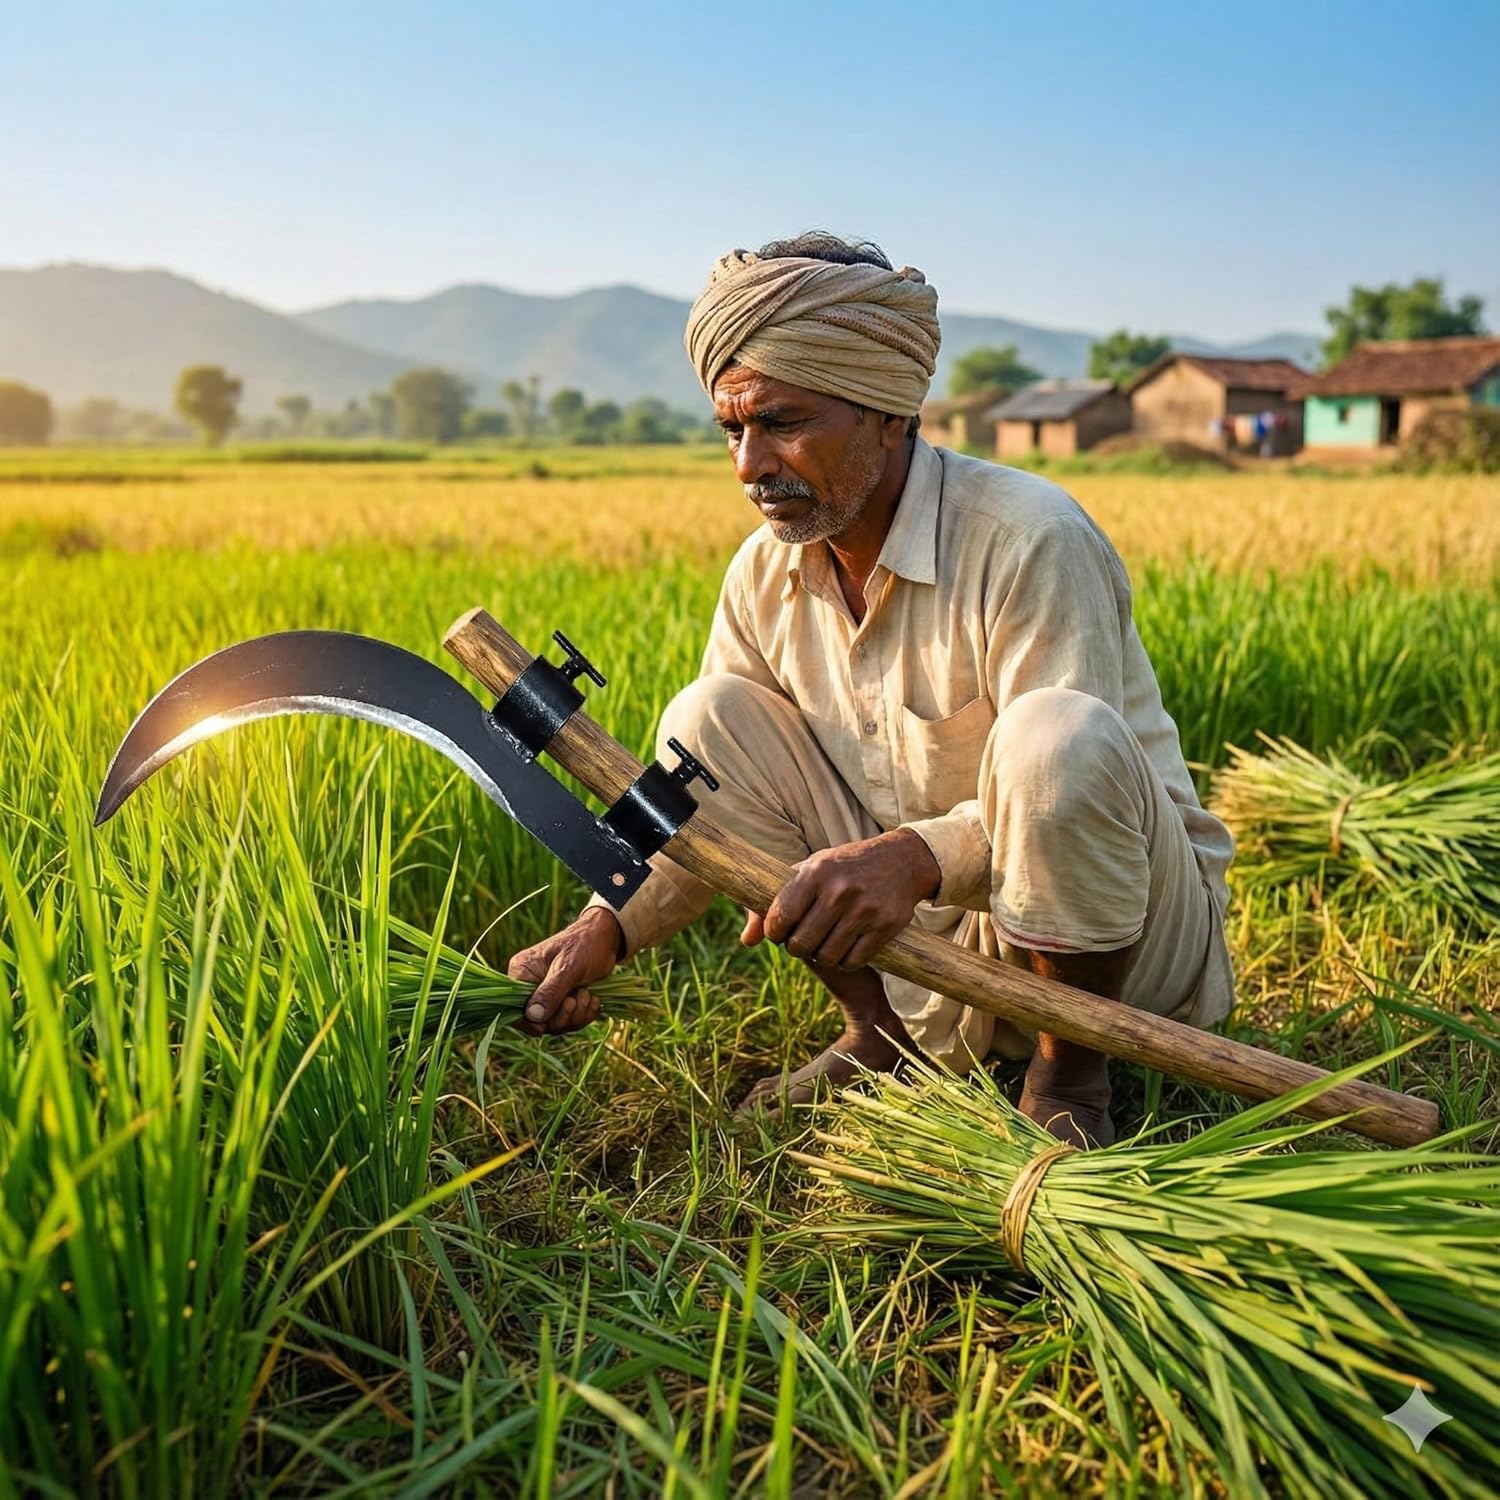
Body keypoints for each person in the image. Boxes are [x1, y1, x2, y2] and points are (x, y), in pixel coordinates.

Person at [506, 232, 1234, 1148]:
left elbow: (1069, 783)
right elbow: (697, 798)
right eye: (734, 429)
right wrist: (603, 928)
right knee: (705, 720)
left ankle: (1070, 1074)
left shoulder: (1026, 537)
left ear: (890, 414)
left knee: (1056, 738)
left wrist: (911, 859)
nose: (749, 465)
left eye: (784, 422)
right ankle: (881, 1034)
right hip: (924, 956)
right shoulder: (763, 576)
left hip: (1125, 949)